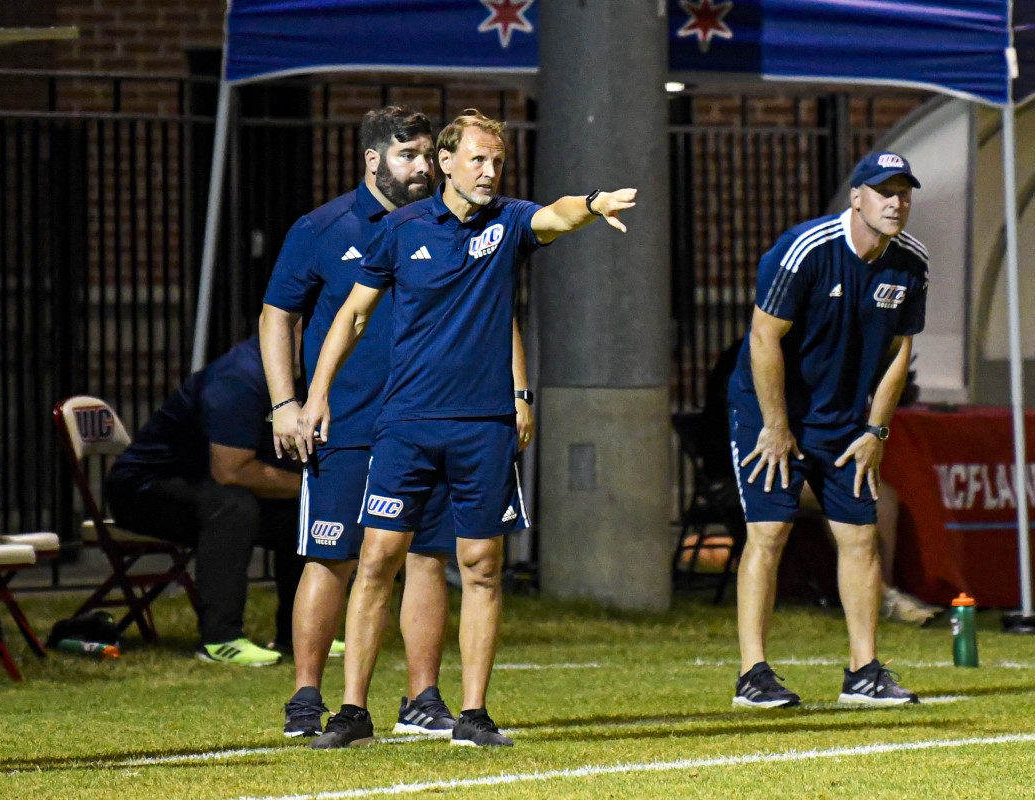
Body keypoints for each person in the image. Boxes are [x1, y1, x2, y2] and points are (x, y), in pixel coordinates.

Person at [299, 109, 636, 747]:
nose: (489, 172)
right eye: (477, 159)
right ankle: (351, 712)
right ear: (446, 163)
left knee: (481, 565)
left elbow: (555, 214)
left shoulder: (508, 223)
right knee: (376, 560)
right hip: (405, 424)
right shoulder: (400, 229)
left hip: (482, 427)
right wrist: (317, 395)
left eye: (497, 162)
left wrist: (591, 204)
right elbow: (353, 316)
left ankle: (474, 713)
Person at [260, 105, 533, 740]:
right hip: (350, 421)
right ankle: (307, 696)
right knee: (336, 556)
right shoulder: (324, 227)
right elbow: (280, 315)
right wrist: (288, 402)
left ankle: (423, 697)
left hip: (429, 419)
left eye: (423, 155)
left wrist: (518, 390)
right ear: (372, 160)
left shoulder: (461, 225)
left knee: (430, 557)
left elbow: (494, 312)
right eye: (406, 155)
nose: (417, 168)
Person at [727, 150, 929, 709]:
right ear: (856, 197)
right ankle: (753, 675)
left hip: (844, 420)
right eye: (884, 192)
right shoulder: (805, 251)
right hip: (771, 411)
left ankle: (863, 673)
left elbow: (898, 352)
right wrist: (774, 426)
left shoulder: (911, 263)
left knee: (860, 538)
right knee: (769, 533)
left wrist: (876, 431)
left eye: (904, 193)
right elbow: (763, 338)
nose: (896, 202)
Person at [705, 339, 940, 625]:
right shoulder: (749, 359)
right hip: (751, 468)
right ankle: (880, 595)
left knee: (881, 497)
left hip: (800, 458)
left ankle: (884, 592)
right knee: (832, 498)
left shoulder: (816, 347)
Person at [105, 335, 303, 666]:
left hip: (198, 483)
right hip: (141, 489)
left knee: (301, 513)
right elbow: (230, 471)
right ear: (295, 331)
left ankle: (297, 634)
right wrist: (306, 485)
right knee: (233, 506)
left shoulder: (304, 374)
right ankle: (220, 639)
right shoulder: (241, 376)